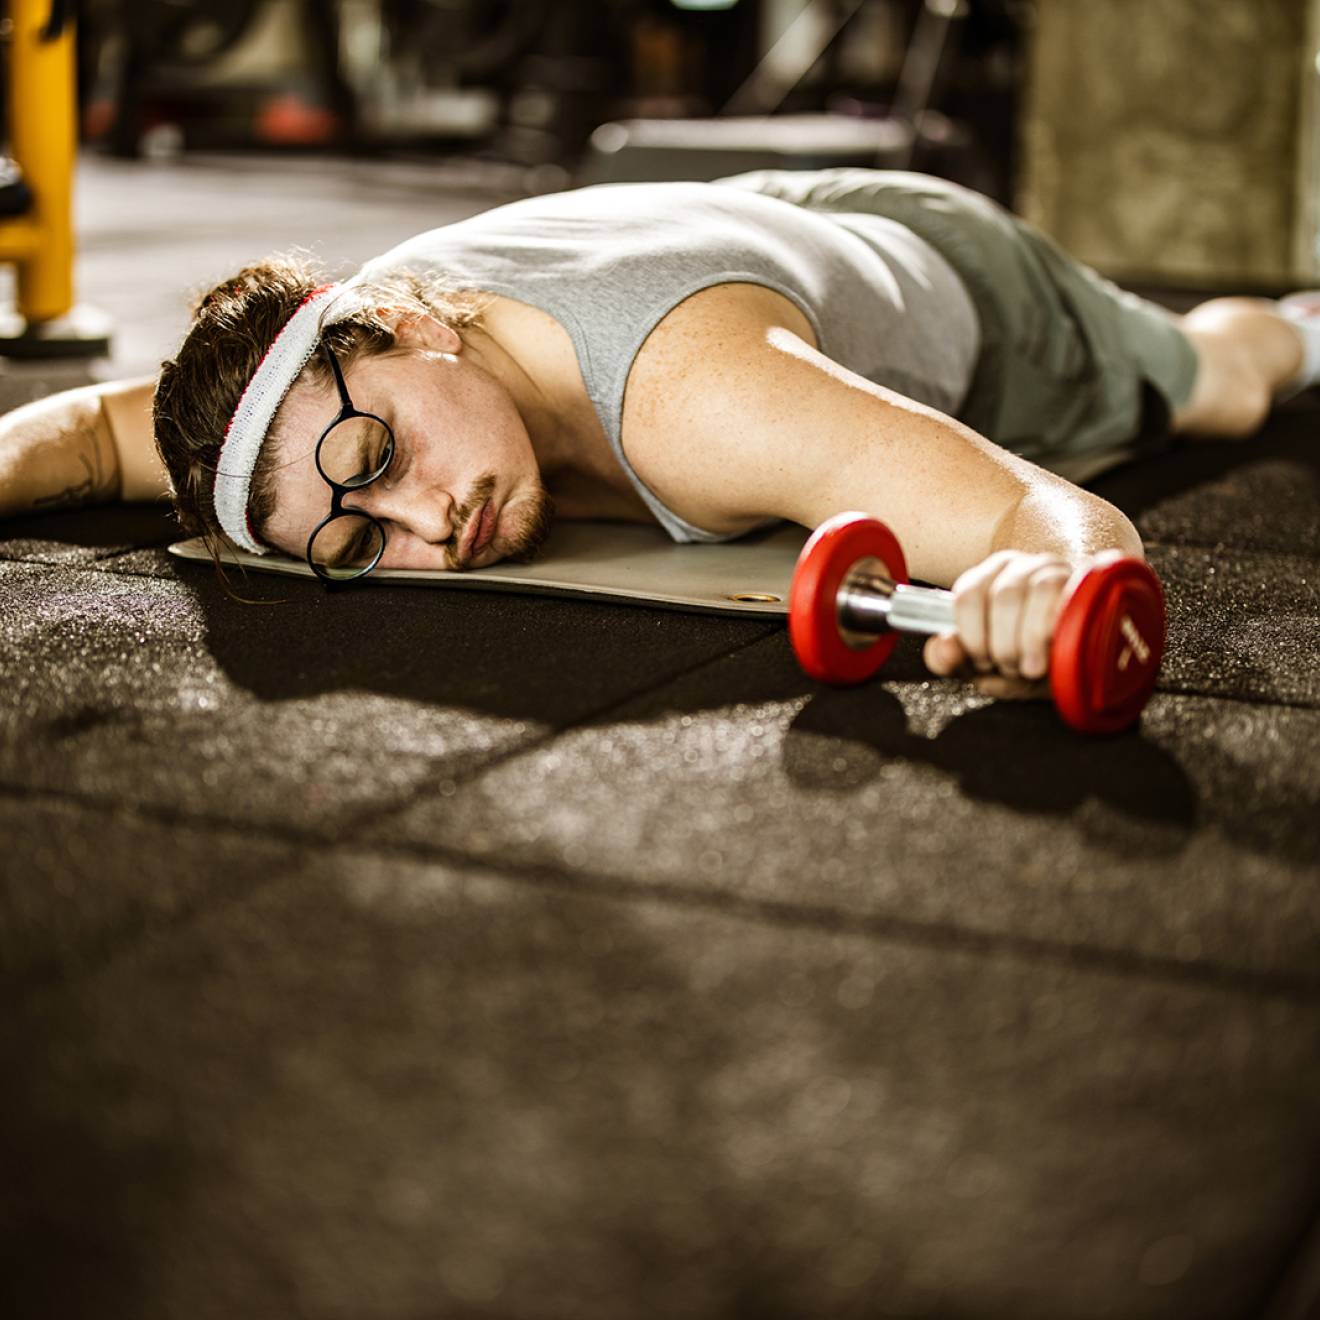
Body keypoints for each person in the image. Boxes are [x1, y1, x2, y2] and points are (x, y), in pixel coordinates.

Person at [2, 167, 1315, 700]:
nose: (425, 530)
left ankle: (1295, 324)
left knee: (1217, 383)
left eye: (381, 467)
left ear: (415, 325)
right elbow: (77, 435)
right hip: (747, 222)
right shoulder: (302, 396)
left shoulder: (703, 403)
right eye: (355, 539)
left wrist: (1055, 586)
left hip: (971, 292)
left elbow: (1046, 514)